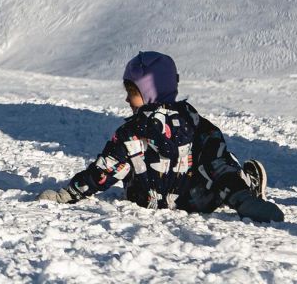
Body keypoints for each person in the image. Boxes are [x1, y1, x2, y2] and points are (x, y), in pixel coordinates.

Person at [38, 51, 284, 222]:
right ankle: (242, 193)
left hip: (144, 199)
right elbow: (216, 164)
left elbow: (105, 170)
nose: (126, 99)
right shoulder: (199, 125)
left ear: (147, 92)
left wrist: (70, 193)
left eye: (132, 93)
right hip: (196, 200)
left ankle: (243, 190)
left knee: (130, 157)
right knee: (219, 161)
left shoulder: (132, 131)